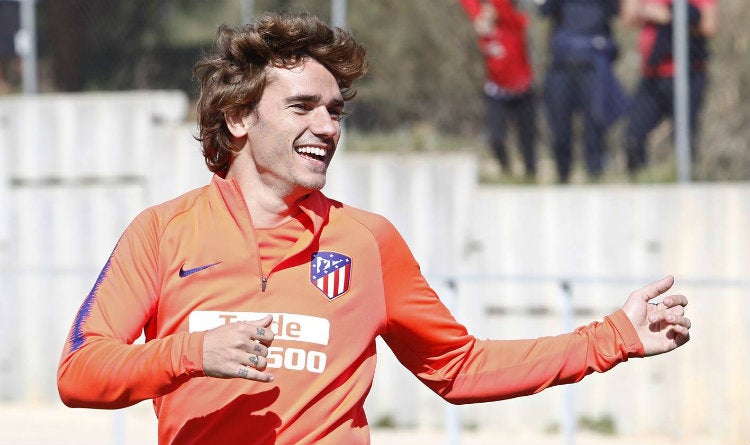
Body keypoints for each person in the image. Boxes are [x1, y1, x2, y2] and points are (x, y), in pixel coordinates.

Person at [57, 11, 691, 445]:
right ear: (238, 118)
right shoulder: (162, 232)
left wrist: (614, 338)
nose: (328, 126)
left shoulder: (367, 241)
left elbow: (460, 368)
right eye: (302, 106)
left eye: (335, 111)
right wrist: (190, 354)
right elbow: (80, 372)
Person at [621, 0, 718, 176]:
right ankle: (641, 181)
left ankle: (683, 180)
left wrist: (673, 18)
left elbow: (709, 27)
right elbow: (627, 19)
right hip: (652, 75)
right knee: (633, 136)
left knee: (684, 137)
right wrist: (647, 11)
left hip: (688, 74)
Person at [538, 0, 629, 183]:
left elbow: (621, 13)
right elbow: (543, 11)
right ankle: (563, 175)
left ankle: (595, 174)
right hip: (561, 66)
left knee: (595, 123)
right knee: (560, 126)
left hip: (593, 67)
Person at [460, 0, 538, 179]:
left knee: (527, 136)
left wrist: (497, 9)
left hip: (522, 90)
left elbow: (503, 8)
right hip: (497, 91)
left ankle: (530, 172)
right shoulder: (484, 28)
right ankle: (506, 169)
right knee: (496, 138)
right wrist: (481, 19)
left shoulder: (514, 24)